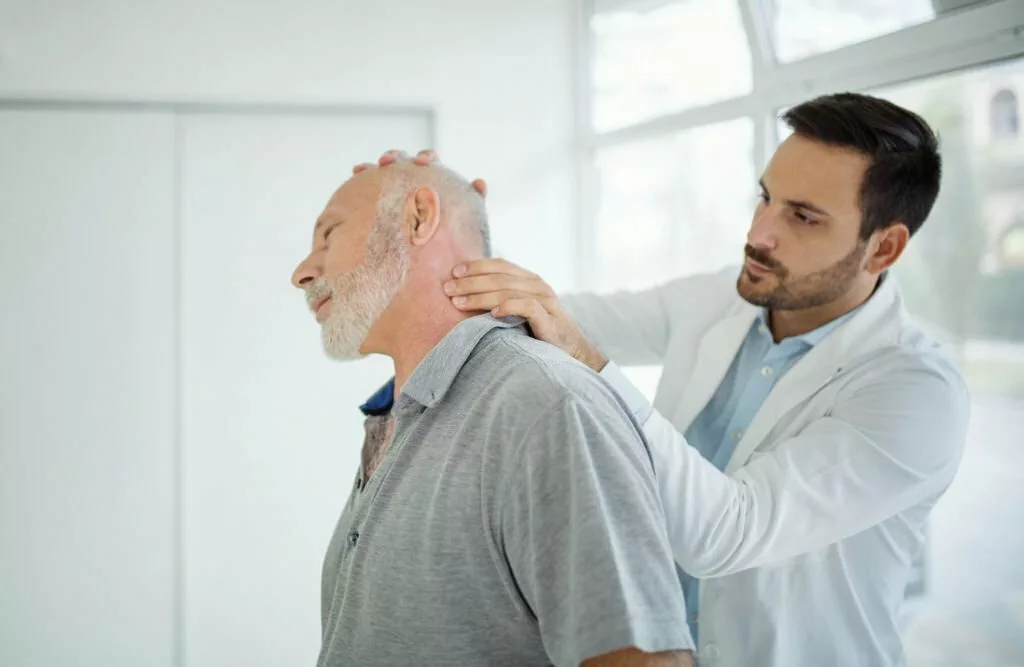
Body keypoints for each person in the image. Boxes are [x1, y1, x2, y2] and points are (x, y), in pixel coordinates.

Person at [356, 92, 971, 666]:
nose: (760, 233)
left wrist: (590, 362)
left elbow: (727, 532)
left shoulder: (916, 392)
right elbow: (544, 309)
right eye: (765, 197)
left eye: (804, 217)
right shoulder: (721, 300)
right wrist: (449, 215)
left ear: (884, 248)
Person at [290, 161, 697, 666]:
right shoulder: (401, 414)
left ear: (419, 218)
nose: (302, 272)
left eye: (328, 235)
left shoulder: (545, 406)